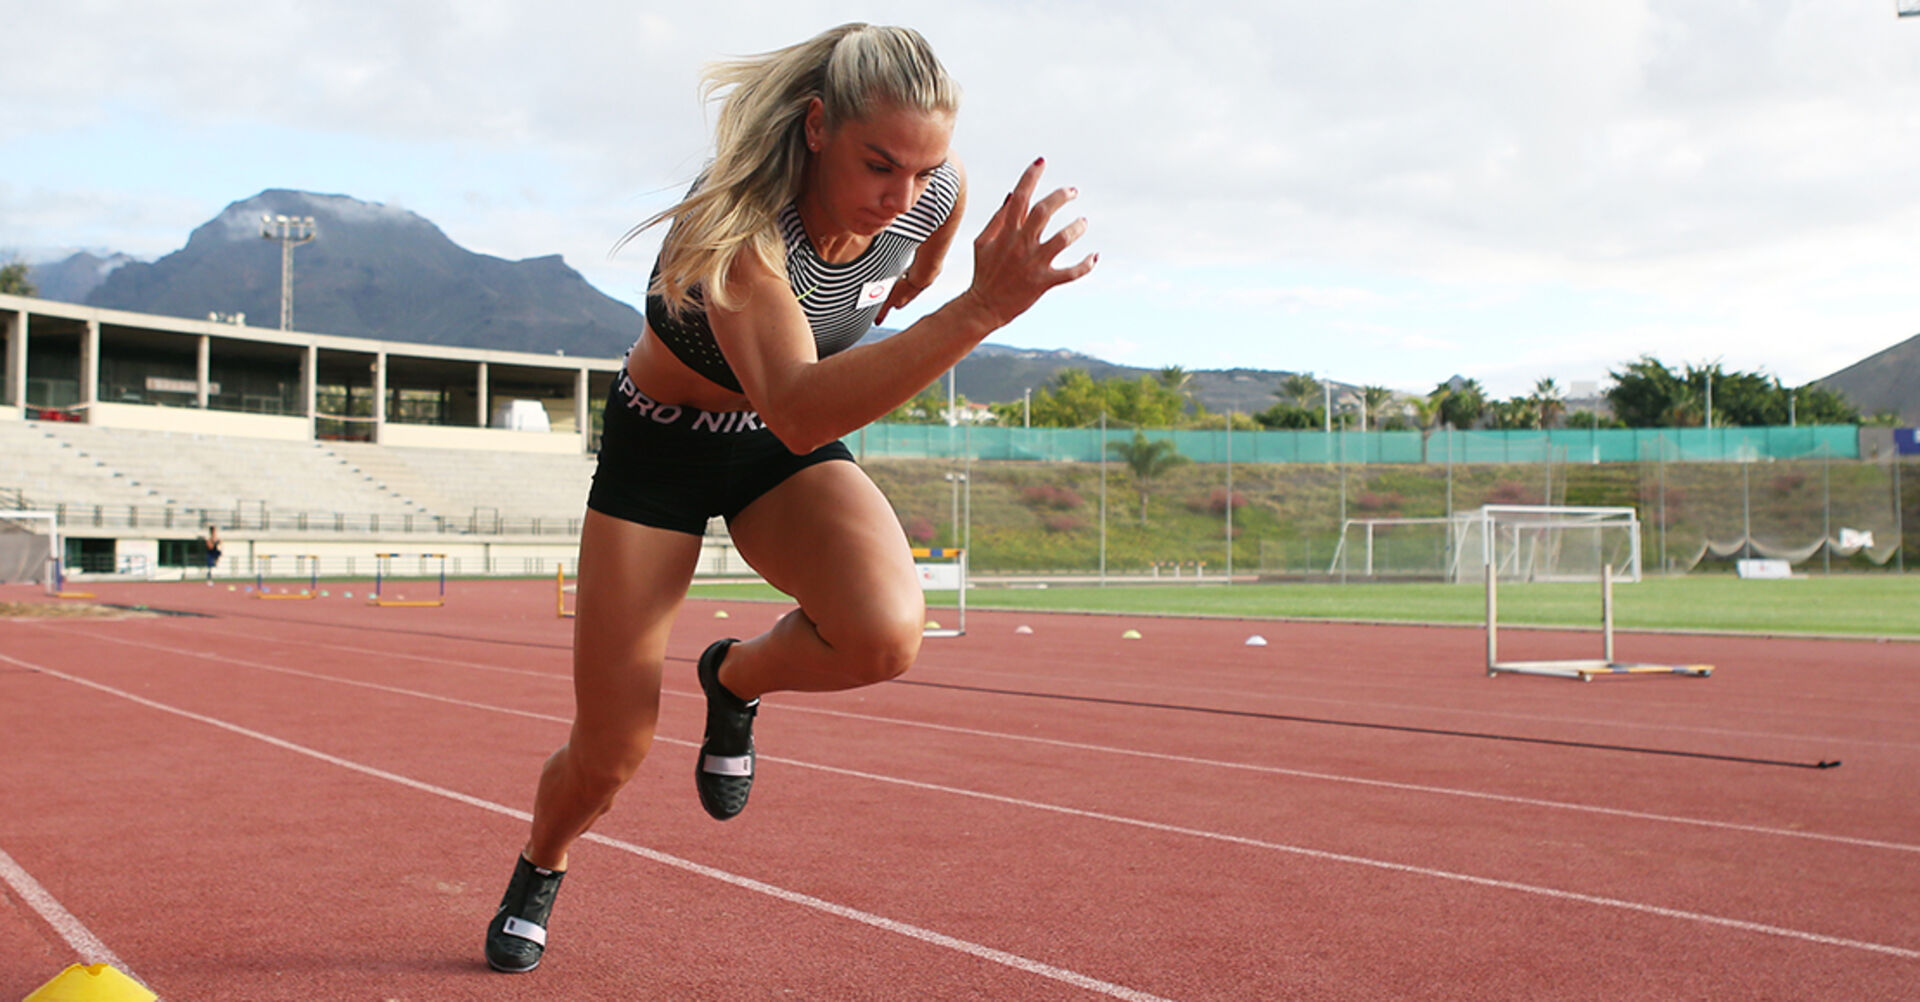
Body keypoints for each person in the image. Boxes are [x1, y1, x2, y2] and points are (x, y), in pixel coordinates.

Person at [484, 22, 1094, 974]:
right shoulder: (734, 230)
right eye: (877, 165)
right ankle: (542, 862)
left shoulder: (927, 182)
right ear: (817, 127)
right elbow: (802, 408)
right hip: (666, 448)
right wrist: (975, 305)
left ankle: (733, 681)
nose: (901, 196)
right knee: (610, 752)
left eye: (919, 171)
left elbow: (941, 195)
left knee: (888, 633)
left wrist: (928, 267)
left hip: (767, 448)